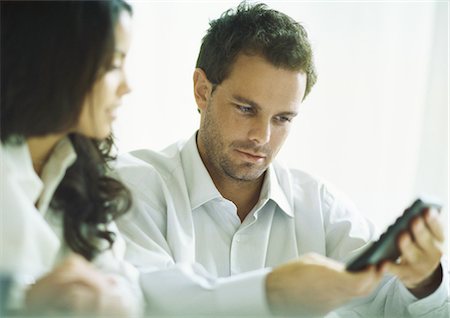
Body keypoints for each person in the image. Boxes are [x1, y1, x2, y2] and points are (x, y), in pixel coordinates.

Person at [115, 2, 448, 317]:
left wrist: (422, 280)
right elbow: (144, 304)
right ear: (202, 90)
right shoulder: (130, 187)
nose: (262, 136)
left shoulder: (321, 206)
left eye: (283, 119)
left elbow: (389, 305)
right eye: (246, 109)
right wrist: (275, 292)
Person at [0, 1, 143, 316]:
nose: (126, 86)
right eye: (112, 64)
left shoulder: (78, 165)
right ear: (56, 60)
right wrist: (22, 300)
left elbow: (123, 283)